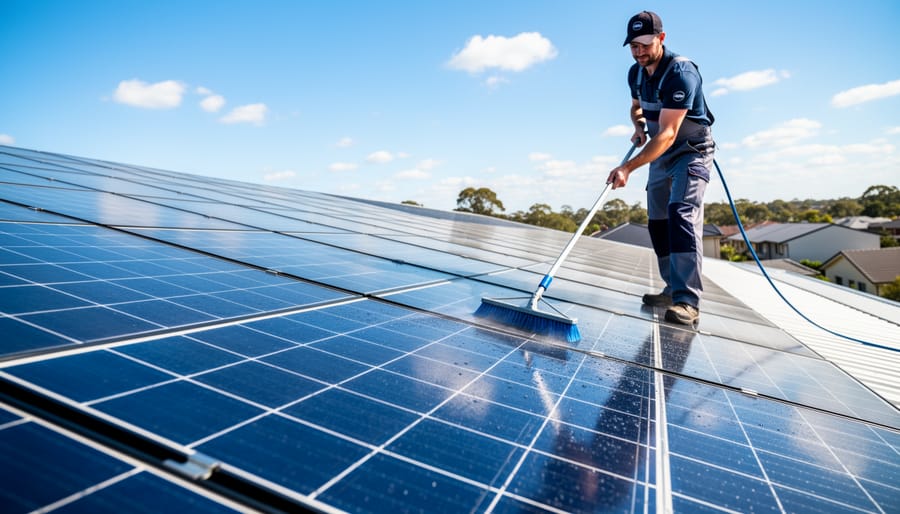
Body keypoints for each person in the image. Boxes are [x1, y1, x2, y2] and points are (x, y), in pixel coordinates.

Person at [606, 10, 715, 326]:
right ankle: (671, 288)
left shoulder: (681, 73)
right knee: (658, 220)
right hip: (658, 152)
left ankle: (687, 300)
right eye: (633, 46)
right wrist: (638, 126)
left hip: (690, 152)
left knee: (681, 213)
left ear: (661, 38)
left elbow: (668, 133)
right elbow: (636, 106)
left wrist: (627, 167)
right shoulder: (635, 73)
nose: (639, 52)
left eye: (645, 44)